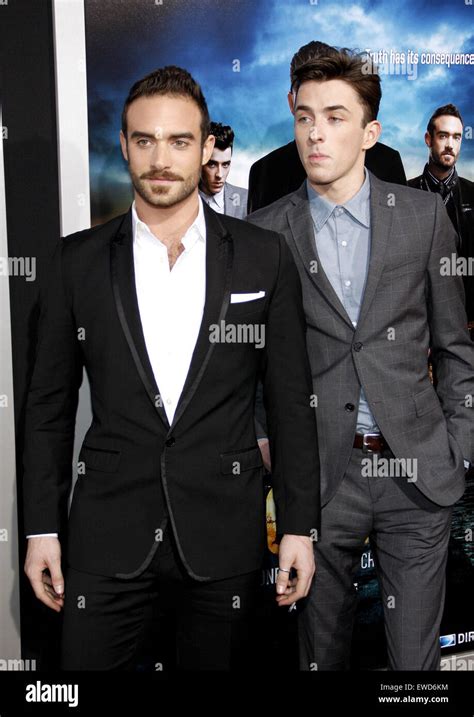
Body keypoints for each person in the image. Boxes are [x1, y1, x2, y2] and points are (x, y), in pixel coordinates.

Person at [23, 65, 320, 671]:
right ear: (125, 145)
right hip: (106, 539)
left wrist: (299, 528)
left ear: (207, 147)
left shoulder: (264, 256)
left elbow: (291, 402)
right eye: (145, 140)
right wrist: (39, 530)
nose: (161, 158)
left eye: (180, 141)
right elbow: (47, 409)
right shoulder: (73, 262)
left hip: (225, 537)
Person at [248, 48, 474, 671]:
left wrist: (459, 444)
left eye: (336, 117)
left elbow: (456, 347)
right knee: (319, 655)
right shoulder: (266, 232)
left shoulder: (425, 219)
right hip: (319, 484)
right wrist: (270, 444)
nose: (315, 133)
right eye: (304, 117)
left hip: (417, 474)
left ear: (371, 132)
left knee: (414, 666)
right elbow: (252, 359)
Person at [247, 41, 406, 214]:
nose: (316, 134)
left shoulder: (387, 161)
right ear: (292, 101)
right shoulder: (264, 172)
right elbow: (257, 234)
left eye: (334, 118)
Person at [408, 104, 474, 323]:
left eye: (456, 137)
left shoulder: (472, 194)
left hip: (466, 320)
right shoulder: (404, 193)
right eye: (443, 136)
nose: (450, 145)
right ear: (429, 139)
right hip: (418, 320)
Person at [199, 121, 248, 218]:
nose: (219, 175)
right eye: (212, 165)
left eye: (225, 164)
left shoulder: (246, 200)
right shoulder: (181, 200)